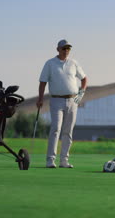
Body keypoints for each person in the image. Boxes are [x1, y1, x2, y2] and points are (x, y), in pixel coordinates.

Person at [37, 39, 87, 168]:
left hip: (72, 100)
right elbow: (43, 82)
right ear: (58, 49)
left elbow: (84, 78)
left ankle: (64, 160)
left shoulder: (73, 63)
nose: (66, 51)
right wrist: (40, 99)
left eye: (68, 49)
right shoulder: (50, 64)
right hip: (56, 100)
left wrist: (81, 93)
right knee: (55, 129)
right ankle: (50, 160)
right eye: (64, 48)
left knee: (68, 131)